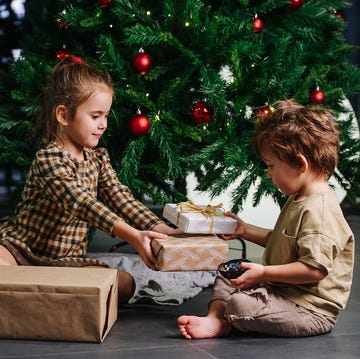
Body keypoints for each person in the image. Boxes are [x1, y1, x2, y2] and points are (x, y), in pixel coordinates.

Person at [0, 57, 181, 303]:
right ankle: (37, 288)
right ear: (64, 116)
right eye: (95, 116)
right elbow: (81, 202)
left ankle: (36, 289)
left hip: (67, 263)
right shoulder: (48, 159)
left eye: (105, 116)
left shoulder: (98, 159)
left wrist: (163, 231)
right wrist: (132, 235)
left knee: (125, 285)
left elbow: (121, 199)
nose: (103, 125)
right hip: (21, 251)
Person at [178, 99, 354, 338]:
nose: (269, 174)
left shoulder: (320, 212)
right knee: (228, 272)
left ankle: (229, 317)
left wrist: (263, 273)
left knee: (240, 304)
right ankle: (215, 319)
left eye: (271, 166)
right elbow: (282, 242)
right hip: (280, 290)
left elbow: (314, 270)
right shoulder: (300, 197)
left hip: (308, 310)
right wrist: (245, 230)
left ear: (300, 164)